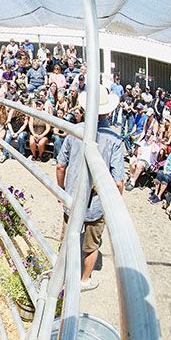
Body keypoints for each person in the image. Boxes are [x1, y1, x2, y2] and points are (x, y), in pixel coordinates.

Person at [56, 86, 124, 291]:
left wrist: (61, 191)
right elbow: (118, 182)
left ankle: (62, 273)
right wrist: (112, 204)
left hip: (72, 198)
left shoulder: (74, 132)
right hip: (96, 204)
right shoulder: (114, 139)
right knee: (92, 244)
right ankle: (84, 280)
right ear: (109, 111)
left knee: (68, 237)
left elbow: (60, 165)